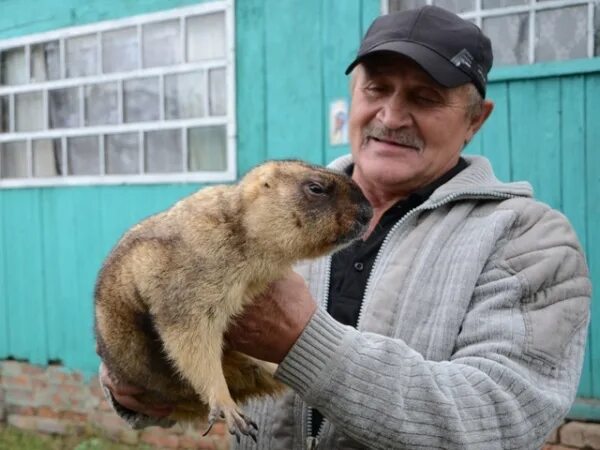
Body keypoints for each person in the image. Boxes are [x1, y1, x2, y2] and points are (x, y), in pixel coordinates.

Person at [99, 5, 591, 449]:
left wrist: (302, 341)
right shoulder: (272, 211)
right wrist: (132, 376)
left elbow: (497, 420)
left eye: (426, 97)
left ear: (475, 119)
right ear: (353, 97)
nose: (392, 116)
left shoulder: (530, 243)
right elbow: (184, 329)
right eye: (377, 89)